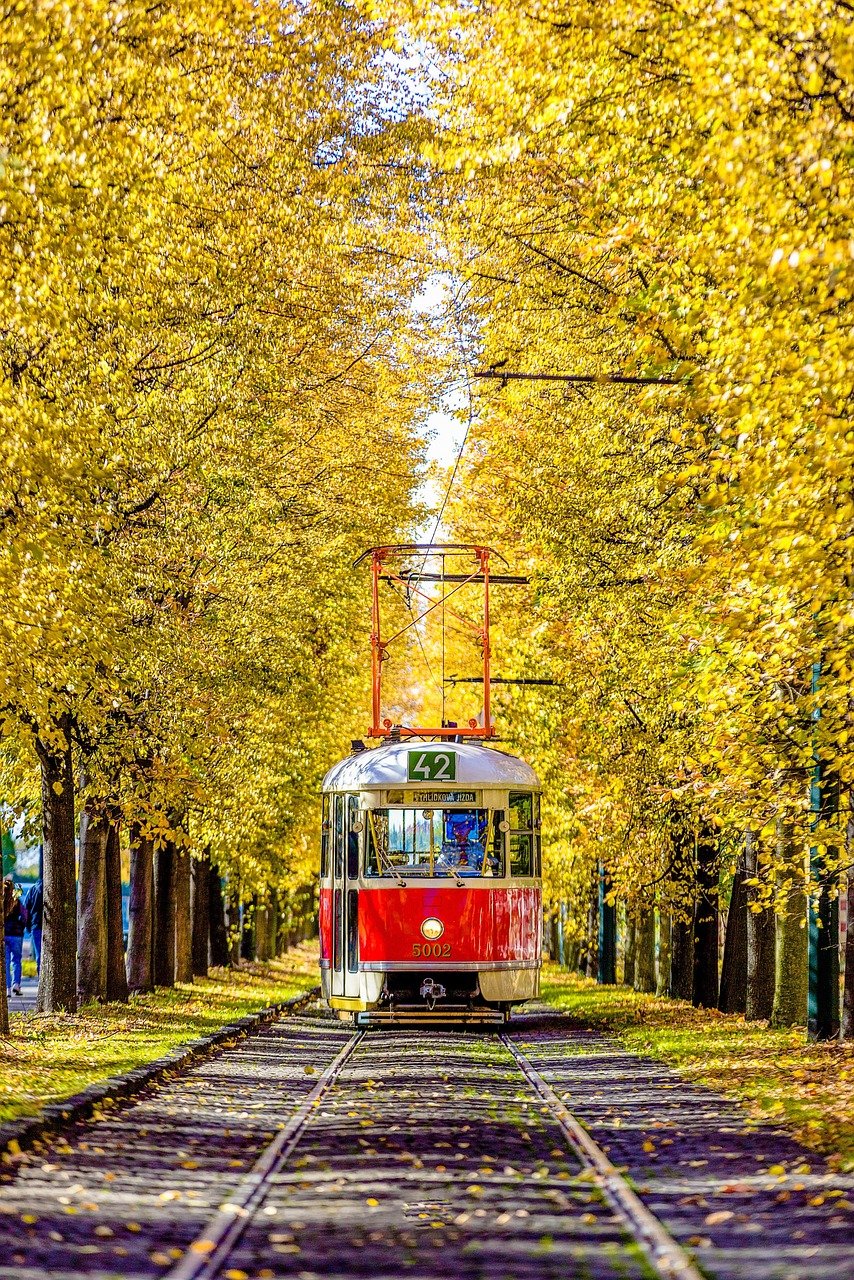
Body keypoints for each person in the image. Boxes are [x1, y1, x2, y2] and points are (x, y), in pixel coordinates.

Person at [3, 877, 27, 996]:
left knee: (5, 961)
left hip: (4, 934)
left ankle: (6, 988)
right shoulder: (17, 901)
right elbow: (24, 916)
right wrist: (22, 927)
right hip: (17, 935)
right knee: (16, 960)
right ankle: (16, 985)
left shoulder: (2, 902)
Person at [24, 879, 43, 974]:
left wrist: (28, 926)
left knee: (39, 953)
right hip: (51, 926)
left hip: (36, 926)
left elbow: (25, 909)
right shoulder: (52, 888)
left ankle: (41, 977)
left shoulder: (32, 889)